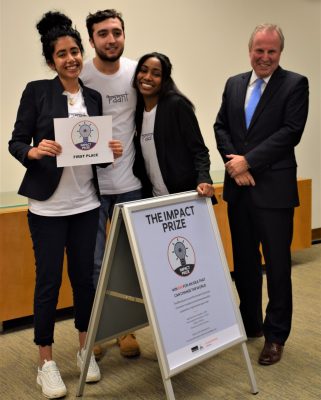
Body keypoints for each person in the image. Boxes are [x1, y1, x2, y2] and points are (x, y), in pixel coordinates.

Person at [8, 11, 123, 399]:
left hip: (87, 204)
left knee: (85, 282)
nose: (71, 59)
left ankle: (84, 349)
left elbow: (96, 155)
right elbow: (16, 142)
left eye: (75, 51)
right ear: (51, 60)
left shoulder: (92, 96)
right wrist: (34, 151)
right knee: (49, 283)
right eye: (62, 54)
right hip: (48, 209)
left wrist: (111, 151)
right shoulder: (37, 91)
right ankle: (46, 361)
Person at [214, 23, 309, 365]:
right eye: (259, 50)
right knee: (245, 264)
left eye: (271, 51)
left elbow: (290, 133)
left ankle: (275, 335)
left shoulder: (295, 85)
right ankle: (251, 323)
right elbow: (220, 126)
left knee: (278, 267)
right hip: (240, 193)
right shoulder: (234, 84)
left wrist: (248, 162)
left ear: (280, 53)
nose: (264, 57)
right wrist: (234, 165)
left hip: (274, 192)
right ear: (249, 49)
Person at [80, 9, 142, 359]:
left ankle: (126, 331)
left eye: (116, 32)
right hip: (90, 188)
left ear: (123, 35)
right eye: (102, 33)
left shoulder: (137, 72)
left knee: (128, 261)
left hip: (130, 184)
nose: (111, 39)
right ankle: (95, 332)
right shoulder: (81, 74)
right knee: (93, 263)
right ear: (92, 40)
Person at [132, 52, 215, 201]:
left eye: (156, 74)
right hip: (155, 199)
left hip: (186, 197)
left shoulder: (177, 105)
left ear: (164, 79)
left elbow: (199, 151)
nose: (147, 77)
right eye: (143, 70)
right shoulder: (137, 111)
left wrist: (204, 179)